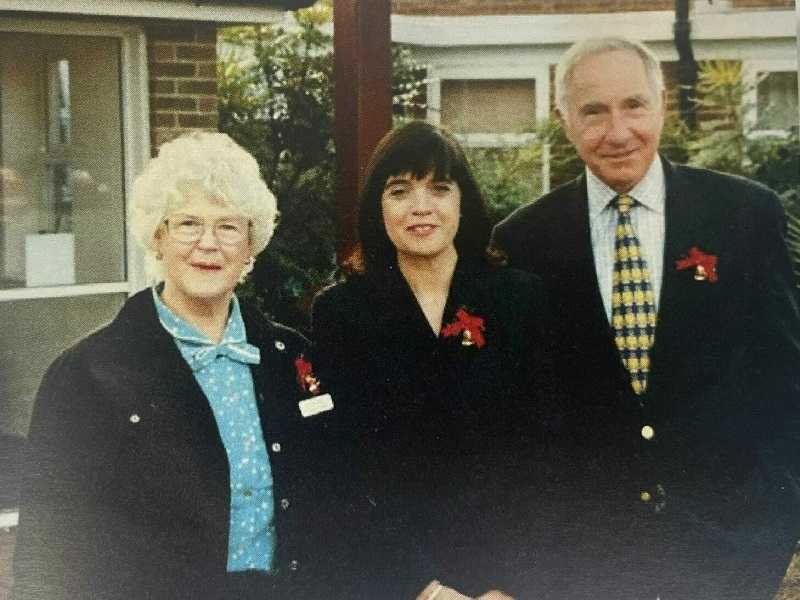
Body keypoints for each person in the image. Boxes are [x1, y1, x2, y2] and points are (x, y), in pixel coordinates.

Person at [491, 35, 800, 599]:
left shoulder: (745, 216)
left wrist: (768, 537)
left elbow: (785, 381)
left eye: (634, 105)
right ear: (563, 120)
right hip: (588, 568)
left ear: (663, 101)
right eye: (594, 111)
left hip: (727, 561)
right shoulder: (525, 241)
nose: (618, 132)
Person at [13, 132, 340, 600]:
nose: (209, 244)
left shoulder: (295, 359)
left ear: (251, 245)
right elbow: (47, 552)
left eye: (229, 227)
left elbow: (336, 507)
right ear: (158, 236)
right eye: (188, 223)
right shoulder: (87, 375)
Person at [311, 121, 554, 600]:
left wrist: (510, 586)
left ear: (462, 201)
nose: (421, 207)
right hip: (398, 582)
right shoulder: (342, 314)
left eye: (439, 188)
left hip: (510, 582)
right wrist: (424, 589)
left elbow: (549, 451)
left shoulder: (520, 299)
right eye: (400, 191)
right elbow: (341, 466)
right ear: (376, 207)